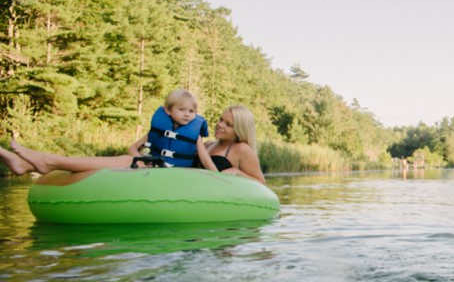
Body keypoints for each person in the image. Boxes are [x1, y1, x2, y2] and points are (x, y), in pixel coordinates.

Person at [1, 104, 266, 185]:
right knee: (116, 163)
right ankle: (27, 164)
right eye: (220, 120)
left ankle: (43, 161)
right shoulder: (207, 144)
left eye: (228, 124)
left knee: (122, 162)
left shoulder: (242, 150)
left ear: (240, 129)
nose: (220, 125)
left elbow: (261, 185)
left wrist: (238, 172)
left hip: (174, 182)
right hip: (166, 175)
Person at [127, 88, 209, 167]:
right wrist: (142, 161)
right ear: (168, 110)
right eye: (181, 109)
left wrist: (219, 177)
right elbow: (132, 148)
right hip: (156, 171)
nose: (187, 114)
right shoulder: (158, 131)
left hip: (180, 175)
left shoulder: (195, 135)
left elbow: (205, 159)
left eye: (191, 111)